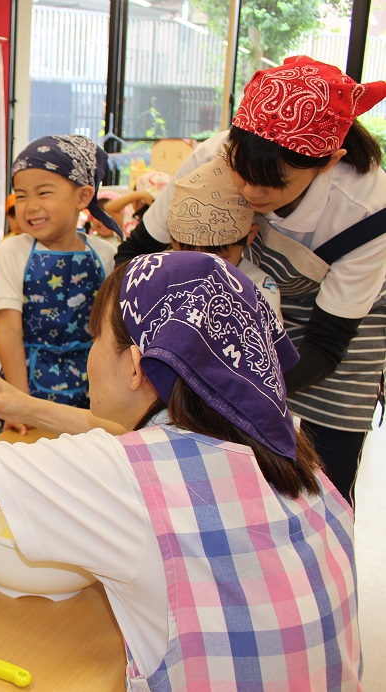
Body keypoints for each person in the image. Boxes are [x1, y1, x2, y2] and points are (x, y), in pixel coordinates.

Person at [0, 251, 359, 690]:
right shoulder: (283, 444)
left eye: (95, 338)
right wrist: (21, 404)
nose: (89, 354)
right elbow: (127, 435)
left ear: (136, 366)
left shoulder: (127, 477)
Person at [116, 56, 386, 503]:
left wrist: (227, 385)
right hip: (242, 304)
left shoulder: (367, 213)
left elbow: (325, 346)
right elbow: (134, 256)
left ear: (327, 162)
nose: (252, 192)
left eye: (274, 181)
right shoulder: (212, 159)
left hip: (340, 331)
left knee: (322, 481)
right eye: (242, 171)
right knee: (226, 473)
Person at [0, 134, 119, 436]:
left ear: (83, 197)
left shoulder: (106, 254)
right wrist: (18, 403)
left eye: (44, 193)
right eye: (21, 196)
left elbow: (112, 333)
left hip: (92, 391)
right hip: (25, 384)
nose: (30, 206)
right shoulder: (12, 251)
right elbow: (8, 331)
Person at [165, 155, 281, 319]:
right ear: (173, 241)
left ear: (250, 235)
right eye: (190, 260)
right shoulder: (158, 276)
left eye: (220, 261)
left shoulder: (258, 290)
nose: (203, 273)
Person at [105, 170, 170, 237]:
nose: (132, 202)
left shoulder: (133, 226)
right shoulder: (168, 229)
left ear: (142, 201)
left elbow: (108, 208)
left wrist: (140, 195)